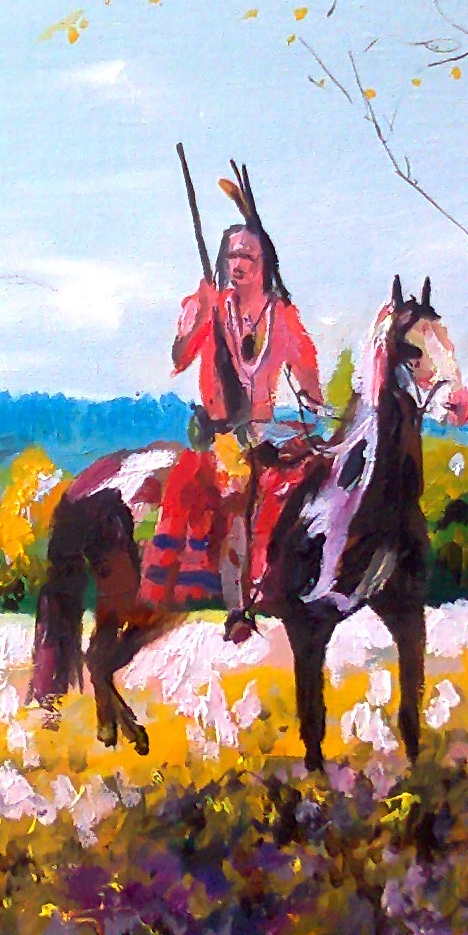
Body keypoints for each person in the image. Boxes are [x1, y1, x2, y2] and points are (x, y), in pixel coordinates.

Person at [148, 220, 322, 640]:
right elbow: (179, 357)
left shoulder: (282, 315)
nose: (238, 264)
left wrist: (316, 405)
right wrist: (196, 316)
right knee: (236, 488)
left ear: (266, 264)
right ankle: (237, 608)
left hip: (265, 429)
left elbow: (310, 381)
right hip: (221, 434)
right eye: (231, 255)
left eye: (247, 255)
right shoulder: (212, 305)